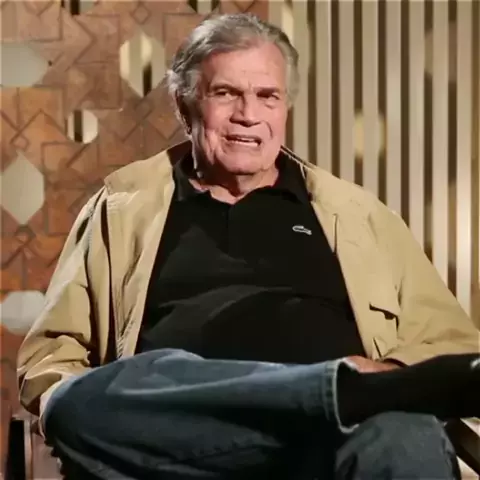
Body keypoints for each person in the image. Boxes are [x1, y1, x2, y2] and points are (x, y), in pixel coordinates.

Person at [17, 12, 479, 480]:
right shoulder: (120, 208)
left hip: (336, 443)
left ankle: (341, 398)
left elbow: (452, 346)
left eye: (267, 96)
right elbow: (51, 357)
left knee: (402, 433)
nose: (248, 114)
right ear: (184, 104)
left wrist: (388, 371)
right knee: (74, 405)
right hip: (185, 445)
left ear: (285, 108)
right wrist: (340, 388)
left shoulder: (360, 215)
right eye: (225, 93)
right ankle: (332, 390)